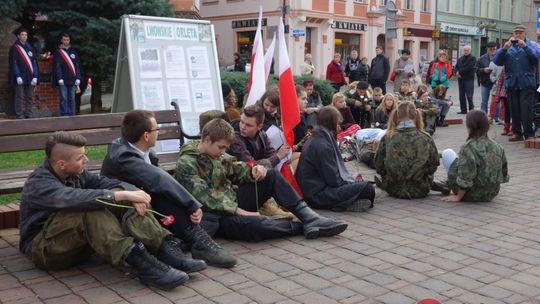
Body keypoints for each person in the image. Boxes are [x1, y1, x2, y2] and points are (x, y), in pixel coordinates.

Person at [20, 131, 200, 290]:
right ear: (61, 164)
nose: (86, 160)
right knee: (91, 208)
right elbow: (72, 198)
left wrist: (131, 193)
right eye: (80, 158)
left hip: (77, 244)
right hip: (45, 250)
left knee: (119, 194)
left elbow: (105, 183)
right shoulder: (39, 183)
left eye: (84, 154)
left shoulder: (75, 172)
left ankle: (163, 249)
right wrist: (119, 196)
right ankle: (143, 265)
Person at [100, 110, 237, 268]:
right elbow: (158, 178)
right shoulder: (124, 155)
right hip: (122, 210)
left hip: (140, 203)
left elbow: (158, 181)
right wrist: (191, 204)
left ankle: (199, 242)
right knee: (162, 196)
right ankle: (184, 245)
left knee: (171, 198)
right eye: (156, 129)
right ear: (146, 135)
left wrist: (187, 204)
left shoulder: (140, 150)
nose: (159, 132)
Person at [175, 118, 348, 240]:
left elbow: (237, 168)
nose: (223, 151)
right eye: (221, 147)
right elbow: (204, 196)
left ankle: (309, 217)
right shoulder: (186, 163)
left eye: (225, 148)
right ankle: (302, 227)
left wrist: (254, 170)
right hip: (215, 215)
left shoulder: (218, 155)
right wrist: (239, 211)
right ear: (206, 139)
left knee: (270, 173)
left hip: (232, 203)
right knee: (255, 226)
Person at [296, 106, 375, 212]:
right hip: (318, 195)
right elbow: (333, 180)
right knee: (368, 189)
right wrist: (351, 181)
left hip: (316, 190)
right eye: (337, 124)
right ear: (330, 124)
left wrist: (351, 181)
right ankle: (345, 204)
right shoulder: (322, 144)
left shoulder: (318, 138)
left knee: (364, 185)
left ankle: (351, 200)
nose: (339, 128)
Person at [374, 101, 440, 199]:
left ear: (397, 114)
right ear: (415, 115)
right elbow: (433, 164)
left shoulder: (388, 138)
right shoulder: (426, 138)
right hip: (420, 188)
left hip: (393, 188)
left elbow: (379, 166)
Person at [441, 110, 509, 202]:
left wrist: (458, 197)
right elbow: (504, 171)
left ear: (470, 127)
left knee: (447, 153)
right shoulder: (497, 146)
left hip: (471, 194)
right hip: (492, 193)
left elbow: (466, 176)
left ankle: (448, 184)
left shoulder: (468, 147)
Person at [493, 25, 540, 141]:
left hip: (526, 82)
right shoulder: (508, 46)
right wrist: (503, 49)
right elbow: (497, 61)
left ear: (525, 34)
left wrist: (525, 48)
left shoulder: (532, 45)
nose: (518, 34)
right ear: (513, 34)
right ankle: (517, 132)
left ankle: (528, 133)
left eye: (520, 32)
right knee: (514, 109)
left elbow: (535, 59)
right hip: (512, 83)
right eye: (516, 32)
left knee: (527, 109)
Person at [228, 105, 290, 169]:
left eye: (248, 125)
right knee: (273, 173)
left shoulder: (262, 135)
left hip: (258, 174)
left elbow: (271, 154)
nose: (243, 127)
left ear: (259, 126)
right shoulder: (234, 137)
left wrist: (281, 155)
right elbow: (252, 166)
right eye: (241, 122)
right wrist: (278, 156)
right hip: (243, 176)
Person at [9, 27, 39, 119]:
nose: (24, 36)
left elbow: (34, 63)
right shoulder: (15, 48)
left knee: (29, 96)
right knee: (19, 96)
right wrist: (17, 75)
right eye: (22, 34)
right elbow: (14, 63)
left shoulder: (30, 48)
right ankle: (19, 114)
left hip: (30, 76)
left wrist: (35, 76)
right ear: (18, 36)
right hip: (20, 77)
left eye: (26, 35)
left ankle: (29, 114)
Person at [52, 33, 83, 117]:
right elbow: (57, 66)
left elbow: (77, 66)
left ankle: (71, 113)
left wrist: (78, 78)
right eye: (64, 40)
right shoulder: (58, 52)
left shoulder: (73, 51)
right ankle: (64, 114)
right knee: (63, 98)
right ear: (61, 40)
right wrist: (59, 78)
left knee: (72, 98)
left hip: (73, 79)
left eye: (68, 40)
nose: (66, 41)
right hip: (63, 80)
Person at [475, 41, 498, 113]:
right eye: (490, 49)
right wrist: (483, 70)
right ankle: (483, 115)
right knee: (484, 100)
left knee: (496, 100)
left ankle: (496, 116)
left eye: (493, 49)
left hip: (496, 82)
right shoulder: (482, 58)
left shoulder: (500, 56)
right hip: (485, 81)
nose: (492, 50)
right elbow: (476, 69)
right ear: (487, 49)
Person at [455, 45, 477, 114]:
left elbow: (469, 67)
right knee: (461, 95)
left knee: (469, 96)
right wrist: (456, 72)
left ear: (470, 51)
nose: (466, 51)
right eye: (465, 50)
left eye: (467, 50)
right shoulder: (460, 58)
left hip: (469, 79)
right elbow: (456, 67)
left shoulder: (473, 58)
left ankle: (471, 110)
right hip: (461, 79)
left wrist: (459, 72)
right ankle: (463, 110)